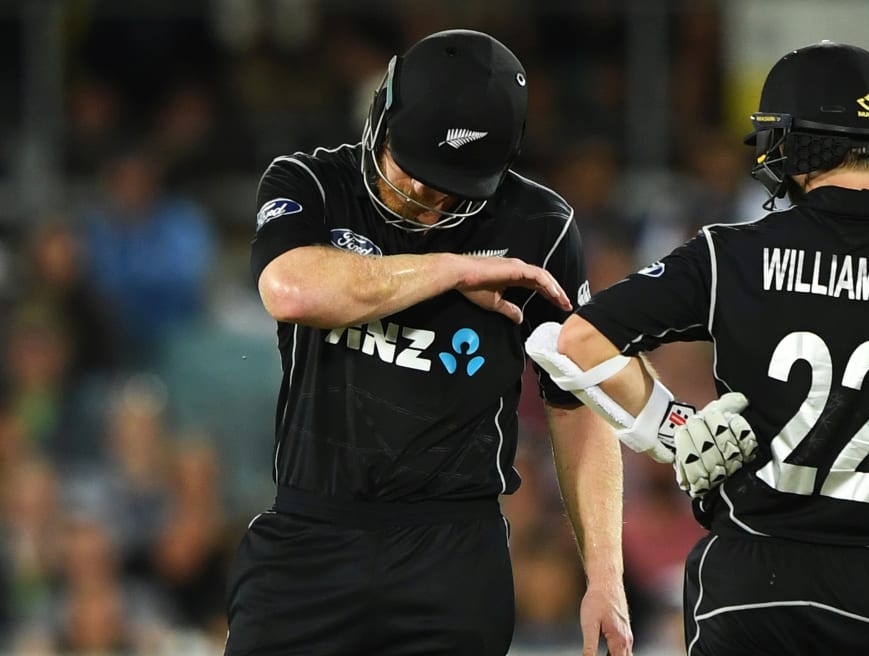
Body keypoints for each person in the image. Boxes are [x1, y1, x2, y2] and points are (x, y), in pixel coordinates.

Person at [528, 41, 869, 655]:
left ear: (796, 143)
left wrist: (673, 427)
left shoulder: (729, 254)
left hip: (748, 582)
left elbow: (574, 341)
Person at [224, 29, 632, 656]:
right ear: (381, 117)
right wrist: (454, 269)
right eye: (412, 171)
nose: (423, 197)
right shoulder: (311, 183)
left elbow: (578, 407)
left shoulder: (541, 228)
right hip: (310, 533)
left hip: (453, 553)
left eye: (450, 188)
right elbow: (291, 290)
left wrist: (605, 575)